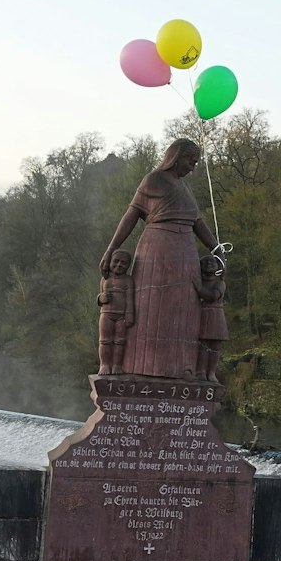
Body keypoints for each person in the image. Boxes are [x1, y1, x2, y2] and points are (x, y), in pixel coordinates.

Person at [99, 138, 220, 381]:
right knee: (150, 308)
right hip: (156, 248)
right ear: (176, 156)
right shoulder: (153, 180)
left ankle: (181, 368)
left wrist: (215, 246)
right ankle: (142, 366)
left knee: (183, 310)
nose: (193, 166)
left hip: (185, 252)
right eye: (190, 160)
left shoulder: (184, 188)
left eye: (196, 162)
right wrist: (112, 248)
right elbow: (131, 215)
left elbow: (198, 222)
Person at [96, 249, 134, 375]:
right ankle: (104, 365)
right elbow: (100, 296)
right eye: (116, 261)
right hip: (106, 314)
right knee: (104, 341)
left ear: (128, 266)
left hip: (121, 316)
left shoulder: (128, 280)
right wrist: (101, 298)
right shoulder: (105, 279)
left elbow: (130, 299)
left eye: (123, 263)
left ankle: (117, 365)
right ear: (110, 262)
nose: (119, 265)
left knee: (120, 341)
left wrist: (130, 314)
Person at [194, 254, 227, 383]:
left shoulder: (220, 283)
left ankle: (211, 372)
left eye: (212, 262)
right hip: (202, 314)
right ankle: (201, 371)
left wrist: (199, 289)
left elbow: (213, 295)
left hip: (216, 314)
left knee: (215, 345)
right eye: (205, 262)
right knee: (203, 344)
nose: (209, 264)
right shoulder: (199, 280)